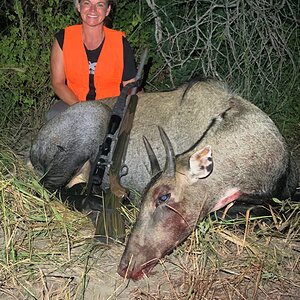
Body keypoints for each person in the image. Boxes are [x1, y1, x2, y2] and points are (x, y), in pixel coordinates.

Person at [47, 0, 137, 120]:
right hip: (74, 102)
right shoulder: (63, 38)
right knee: (53, 116)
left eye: (100, 4)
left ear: (107, 10)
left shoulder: (119, 42)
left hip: (110, 105)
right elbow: (58, 83)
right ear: (78, 6)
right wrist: (81, 108)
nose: (93, 10)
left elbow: (130, 86)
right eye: (87, 3)